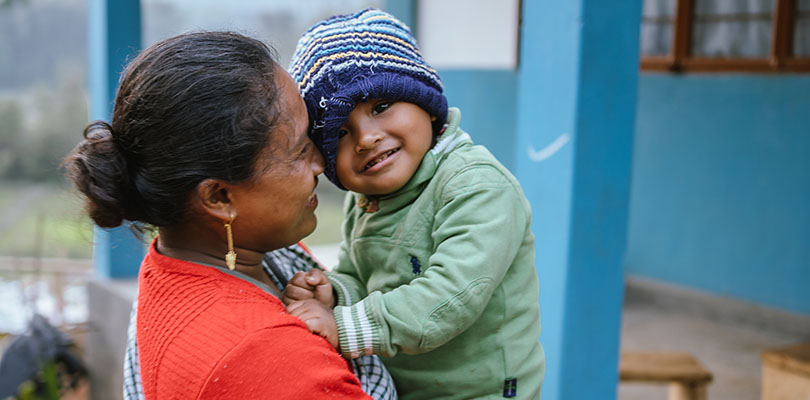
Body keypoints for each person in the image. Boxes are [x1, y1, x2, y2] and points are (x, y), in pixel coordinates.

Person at [64, 31, 396, 399]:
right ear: (219, 196)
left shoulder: (189, 262)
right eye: (301, 151)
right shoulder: (269, 362)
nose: (321, 162)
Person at [284, 9, 545, 399]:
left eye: (381, 107)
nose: (366, 138)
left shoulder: (476, 186)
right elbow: (360, 275)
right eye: (340, 131)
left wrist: (343, 325)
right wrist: (333, 293)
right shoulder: (367, 199)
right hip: (403, 385)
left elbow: (451, 296)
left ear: (425, 102)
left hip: (483, 390)